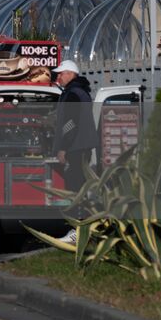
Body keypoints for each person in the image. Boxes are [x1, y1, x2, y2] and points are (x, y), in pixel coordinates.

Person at [53, 59, 97, 244]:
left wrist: (63, 148)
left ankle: (76, 231)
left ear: (71, 74)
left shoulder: (72, 94)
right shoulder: (82, 92)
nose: (58, 77)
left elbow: (71, 124)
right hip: (83, 148)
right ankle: (82, 229)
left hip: (75, 149)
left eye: (61, 74)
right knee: (81, 189)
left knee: (74, 190)